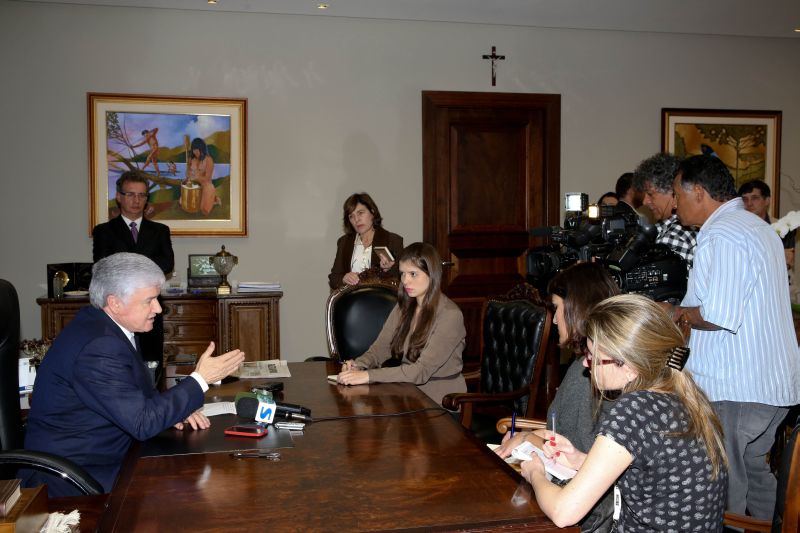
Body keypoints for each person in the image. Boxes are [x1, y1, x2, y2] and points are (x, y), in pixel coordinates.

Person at [23, 253, 245, 496]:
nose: (158, 308)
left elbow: (138, 399)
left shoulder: (109, 328)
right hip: (76, 476)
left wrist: (175, 410)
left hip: (109, 454)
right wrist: (200, 379)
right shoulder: (98, 347)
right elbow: (142, 422)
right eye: (149, 300)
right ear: (115, 302)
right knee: (198, 490)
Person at [519, 294, 728, 531]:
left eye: (593, 357)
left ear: (628, 366)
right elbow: (656, 479)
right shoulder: (684, 396)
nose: (586, 364)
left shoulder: (636, 409)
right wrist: (581, 459)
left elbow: (563, 513)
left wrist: (536, 473)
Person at [671, 154, 800, 518]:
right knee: (758, 474)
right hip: (770, 384)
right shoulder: (756, 226)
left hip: (736, 386)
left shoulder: (722, 232)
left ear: (698, 192)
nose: (675, 205)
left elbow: (717, 314)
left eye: (678, 195)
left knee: (724, 485)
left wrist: (676, 313)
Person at [495, 262, 620, 532]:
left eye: (556, 308)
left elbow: (579, 456)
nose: (553, 319)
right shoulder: (588, 367)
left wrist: (529, 439)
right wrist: (529, 439)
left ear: (575, 309)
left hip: (584, 514)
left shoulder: (587, 374)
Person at [336, 242, 465, 406]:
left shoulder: (450, 315)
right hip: (406, 394)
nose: (405, 281)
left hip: (439, 401)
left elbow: (421, 371)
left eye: (413, 274)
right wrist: (358, 365)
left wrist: (368, 376)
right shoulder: (404, 307)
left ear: (432, 274)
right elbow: (380, 348)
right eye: (403, 274)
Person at [92, 171, 174, 362]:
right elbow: (103, 265)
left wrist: (128, 263)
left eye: (142, 195)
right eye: (130, 194)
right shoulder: (104, 231)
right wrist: (145, 264)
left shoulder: (160, 231)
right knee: (117, 360)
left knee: (151, 362)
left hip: (150, 308)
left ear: (146, 199)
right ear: (119, 197)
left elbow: (167, 263)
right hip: (118, 308)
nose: (136, 200)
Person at [328, 192, 404, 289]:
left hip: (382, 300)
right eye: (351, 216)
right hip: (351, 301)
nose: (356, 219)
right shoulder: (344, 242)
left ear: (372, 212)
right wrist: (344, 278)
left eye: (360, 213)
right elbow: (334, 278)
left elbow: (401, 276)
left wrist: (388, 269)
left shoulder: (393, 240)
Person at [633, 152, 697, 266]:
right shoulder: (667, 228)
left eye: (650, 194)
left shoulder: (674, 236)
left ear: (672, 192)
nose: (645, 202)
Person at [739, 179, 796, 271]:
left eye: (755, 198)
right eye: (745, 199)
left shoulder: (783, 227)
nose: (749, 203)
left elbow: (787, 263)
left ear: (767, 200)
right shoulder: (736, 229)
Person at [186, 137, 220, 216]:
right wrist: (188, 174)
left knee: (204, 210)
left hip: (205, 185)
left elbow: (207, 178)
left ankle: (213, 199)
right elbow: (187, 173)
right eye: (194, 149)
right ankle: (213, 199)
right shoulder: (191, 159)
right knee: (183, 203)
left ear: (202, 149)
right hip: (193, 184)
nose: (195, 152)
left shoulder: (208, 160)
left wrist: (196, 177)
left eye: (197, 149)